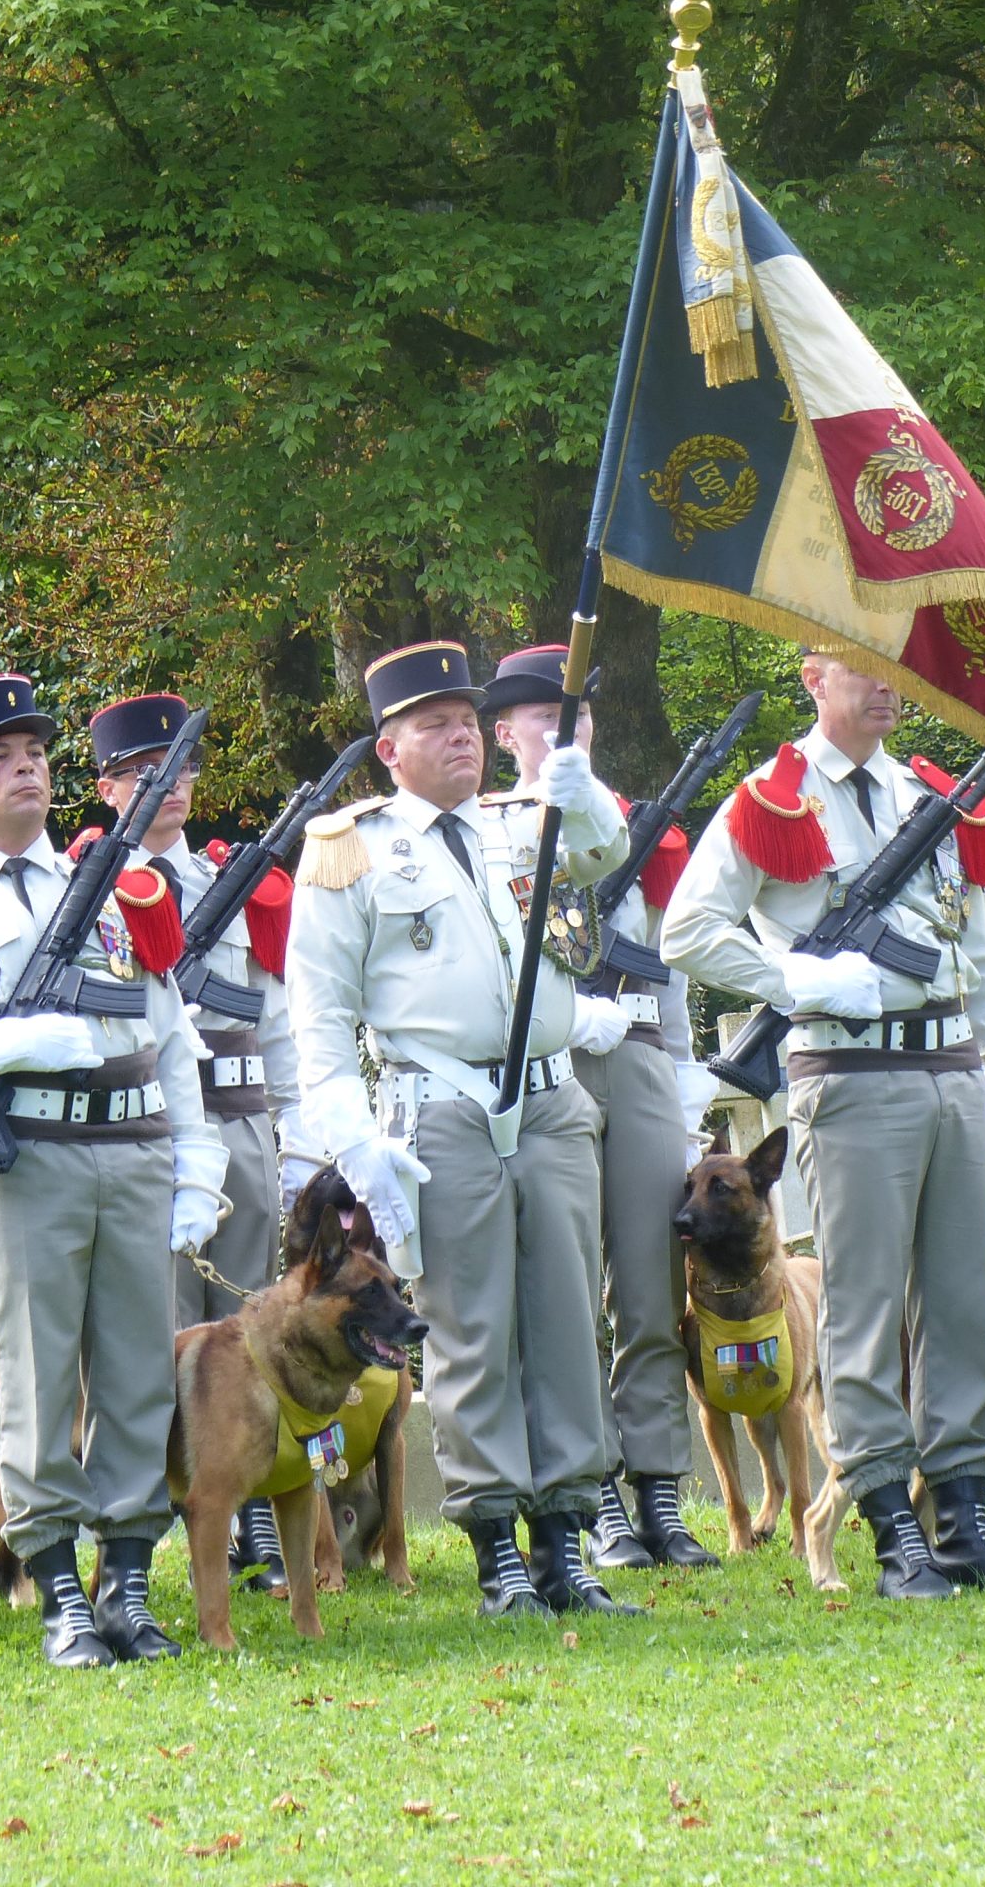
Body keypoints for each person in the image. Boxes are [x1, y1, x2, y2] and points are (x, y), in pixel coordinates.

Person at [658, 649, 985, 1598]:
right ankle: (890, 1528)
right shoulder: (774, 796)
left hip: (953, 1068)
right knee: (866, 1308)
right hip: (853, 1071)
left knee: (961, 1302)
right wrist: (794, 978)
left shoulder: (936, 794)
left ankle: (961, 1521)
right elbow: (689, 929)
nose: (888, 686)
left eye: (896, 671)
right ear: (813, 678)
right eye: (864, 668)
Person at [0, 674, 227, 1668]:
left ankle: (129, 1585)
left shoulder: (118, 888)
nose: (23, 767)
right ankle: (60, 1589)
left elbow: (172, 1036)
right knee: (34, 1378)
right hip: (31, 1162)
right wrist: (5, 1045)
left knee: (142, 1376)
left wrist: (198, 1160)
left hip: (134, 1150)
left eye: (33, 753)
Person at [286, 640, 639, 1618]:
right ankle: (497, 1553)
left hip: (551, 1099)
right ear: (388, 749)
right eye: (431, 725)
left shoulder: (524, 822)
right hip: (440, 1109)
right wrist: (354, 1140)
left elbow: (606, 854)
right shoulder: (348, 847)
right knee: (474, 1327)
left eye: (465, 721)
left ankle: (565, 1542)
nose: (458, 738)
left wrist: (588, 790)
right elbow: (316, 1016)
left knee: (569, 1318)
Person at [480, 644, 718, 1571]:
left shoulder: (638, 826)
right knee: (567, 1294)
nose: (560, 728)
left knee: (652, 1288)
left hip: (643, 1061)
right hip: (551, 1062)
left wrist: (685, 1068)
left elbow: (668, 960)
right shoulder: (490, 829)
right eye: (541, 716)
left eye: (573, 714)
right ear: (505, 733)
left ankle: (658, 1492)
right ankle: (593, 1503)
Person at [91, 691, 304, 1593]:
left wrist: (296, 1137)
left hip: (245, 1120)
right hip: (154, 1129)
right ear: (106, 789)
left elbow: (279, 1010)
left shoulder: (236, 877)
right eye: (143, 774)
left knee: (253, 1323)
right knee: (166, 1334)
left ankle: (255, 1508)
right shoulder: (92, 888)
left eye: (178, 769)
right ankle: (172, 1511)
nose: (166, 787)